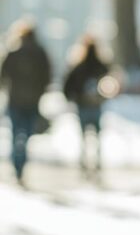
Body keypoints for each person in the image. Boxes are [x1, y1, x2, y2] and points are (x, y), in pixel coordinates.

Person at [0, 22, 52, 184]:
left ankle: (17, 162)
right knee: (28, 133)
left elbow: (3, 75)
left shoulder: (13, 52)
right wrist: (41, 91)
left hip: (15, 99)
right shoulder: (41, 53)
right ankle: (22, 161)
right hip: (33, 100)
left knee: (16, 132)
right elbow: (47, 76)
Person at [63, 36, 112, 175]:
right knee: (97, 134)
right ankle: (97, 161)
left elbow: (68, 85)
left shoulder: (79, 65)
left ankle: (84, 160)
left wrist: (70, 97)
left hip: (82, 104)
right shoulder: (102, 66)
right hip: (96, 105)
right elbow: (110, 83)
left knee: (83, 135)